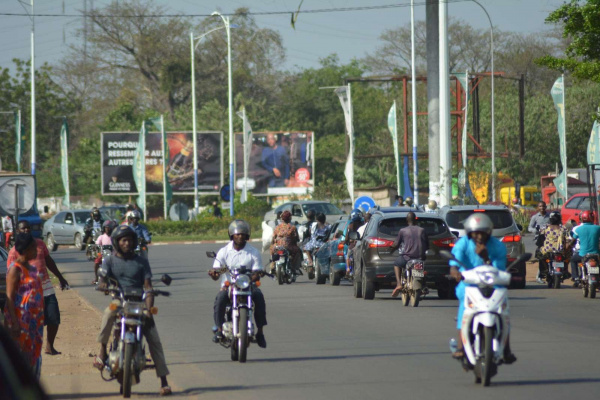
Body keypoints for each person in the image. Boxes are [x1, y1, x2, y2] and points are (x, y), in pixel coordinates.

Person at [95, 225, 171, 396]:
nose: (127, 243)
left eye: (129, 239)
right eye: (123, 240)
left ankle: (164, 381)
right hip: (119, 300)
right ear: (116, 242)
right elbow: (102, 278)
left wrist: (149, 307)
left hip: (139, 302)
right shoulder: (110, 261)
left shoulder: (141, 261)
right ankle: (102, 350)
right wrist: (103, 284)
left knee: (154, 339)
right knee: (108, 313)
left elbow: (148, 287)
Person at [448, 213, 516, 364]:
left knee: (504, 312)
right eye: (475, 233)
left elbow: (499, 269)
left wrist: (486, 257)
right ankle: (460, 346)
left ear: (489, 232)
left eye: (482, 232)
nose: (479, 236)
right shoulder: (463, 244)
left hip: (493, 284)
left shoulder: (497, 246)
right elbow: (454, 263)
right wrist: (455, 272)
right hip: (469, 285)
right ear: (469, 232)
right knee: (463, 309)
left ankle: (507, 349)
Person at [7, 220, 70, 356]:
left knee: (54, 317)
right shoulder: (13, 253)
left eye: (28, 228)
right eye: (23, 229)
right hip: (26, 295)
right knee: (31, 325)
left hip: (46, 288)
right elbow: (11, 279)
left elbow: (49, 261)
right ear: (17, 231)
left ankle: (49, 346)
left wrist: (60, 277)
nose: (26, 230)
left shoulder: (39, 243)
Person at [208, 220, 267, 348]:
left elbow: (257, 271)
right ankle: (219, 330)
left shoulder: (253, 252)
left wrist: (254, 276)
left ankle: (260, 332)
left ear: (247, 236)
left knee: (259, 297)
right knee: (220, 299)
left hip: (248, 284)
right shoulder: (224, 251)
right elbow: (219, 271)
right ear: (232, 235)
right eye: (237, 234)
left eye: (243, 234)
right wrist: (215, 274)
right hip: (230, 285)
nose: (240, 236)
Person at [4, 232, 44, 378]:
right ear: (26, 249)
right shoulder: (15, 269)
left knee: (34, 357)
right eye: (34, 248)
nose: (37, 251)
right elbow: (9, 297)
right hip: (21, 322)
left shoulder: (32, 269)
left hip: (35, 323)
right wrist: (14, 323)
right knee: (21, 361)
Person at [388, 212, 428, 297]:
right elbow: (427, 245)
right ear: (416, 220)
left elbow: (396, 244)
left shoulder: (403, 231)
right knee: (423, 268)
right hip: (420, 258)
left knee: (396, 264)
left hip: (407, 258)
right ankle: (424, 285)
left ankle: (399, 284)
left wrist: (390, 249)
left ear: (407, 220)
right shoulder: (422, 230)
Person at [538, 211, 572, 282]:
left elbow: (540, 238)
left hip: (547, 250)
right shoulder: (563, 229)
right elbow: (568, 241)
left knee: (539, 253)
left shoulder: (545, 228)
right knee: (570, 252)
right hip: (561, 250)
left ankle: (544, 271)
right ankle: (565, 269)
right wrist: (565, 249)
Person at [571, 210, 600, 288]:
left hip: (583, 255)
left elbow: (572, 241)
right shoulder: (598, 228)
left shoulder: (578, 229)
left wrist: (567, 247)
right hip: (596, 255)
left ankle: (576, 277)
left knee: (573, 260)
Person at [270, 210, 301, 277]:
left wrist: (274, 244)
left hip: (277, 247)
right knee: (298, 251)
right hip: (288, 247)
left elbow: (273, 238)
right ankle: (294, 267)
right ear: (289, 218)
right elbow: (297, 238)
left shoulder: (277, 227)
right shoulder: (292, 227)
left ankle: (272, 264)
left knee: (272, 250)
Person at [528, 201, 550, 284]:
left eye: (543, 206)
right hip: (539, 240)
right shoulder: (535, 217)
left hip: (550, 240)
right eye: (540, 206)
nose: (542, 208)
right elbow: (529, 228)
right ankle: (539, 276)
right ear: (538, 207)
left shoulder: (549, 217)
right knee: (541, 257)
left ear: (546, 207)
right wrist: (537, 231)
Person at [93, 220, 116, 285]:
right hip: (103, 254)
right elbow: (97, 244)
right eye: (106, 227)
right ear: (104, 228)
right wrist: (96, 247)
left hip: (112, 255)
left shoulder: (114, 237)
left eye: (109, 227)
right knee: (96, 262)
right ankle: (96, 278)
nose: (107, 229)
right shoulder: (101, 237)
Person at [344, 209, 364, 277]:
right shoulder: (363, 225)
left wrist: (346, 241)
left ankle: (348, 269)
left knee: (348, 256)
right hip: (361, 245)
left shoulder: (350, 226)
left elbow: (347, 237)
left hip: (352, 245)